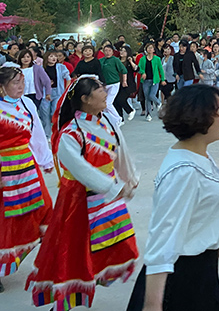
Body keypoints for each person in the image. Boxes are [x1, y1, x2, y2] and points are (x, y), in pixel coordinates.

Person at [126, 85, 219, 311]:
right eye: (218, 111)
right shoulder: (184, 172)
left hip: (202, 271)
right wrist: (152, 305)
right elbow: (163, 240)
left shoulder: (198, 157)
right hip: (180, 278)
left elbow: (201, 212)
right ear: (200, 117)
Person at [27, 75, 139, 309]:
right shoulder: (71, 132)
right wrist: (111, 187)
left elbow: (121, 151)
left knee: (114, 246)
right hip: (77, 200)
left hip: (105, 196)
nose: (105, 91)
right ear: (85, 99)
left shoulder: (106, 122)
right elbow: (79, 169)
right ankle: (65, 300)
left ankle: (94, 277)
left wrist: (129, 178)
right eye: (99, 89)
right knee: (73, 253)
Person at [0, 67, 54, 293]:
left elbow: (37, 133)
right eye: (15, 83)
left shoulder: (27, 104)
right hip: (4, 170)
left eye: (22, 82)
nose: (21, 87)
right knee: (5, 221)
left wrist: (45, 160)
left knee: (44, 208)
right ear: (2, 87)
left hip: (27, 167)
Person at [42, 51, 71, 133]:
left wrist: (66, 89)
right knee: (45, 113)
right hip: (45, 93)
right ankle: (47, 133)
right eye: (51, 56)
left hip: (58, 92)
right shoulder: (41, 68)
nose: (54, 58)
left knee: (55, 111)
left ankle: (55, 131)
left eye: (55, 56)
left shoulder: (61, 67)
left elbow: (68, 78)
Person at [100, 44, 128, 128]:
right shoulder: (101, 61)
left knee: (108, 103)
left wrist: (124, 81)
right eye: (106, 51)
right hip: (104, 84)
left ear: (112, 51)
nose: (107, 52)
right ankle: (108, 120)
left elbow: (124, 70)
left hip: (114, 83)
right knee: (103, 105)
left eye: (109, 50)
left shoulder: (115, 60)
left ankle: (118, 118)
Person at [139, 43, 165, 122]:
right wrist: (143, 72)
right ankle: (148, 114)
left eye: (151, 48)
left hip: (155, 80)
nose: (150, 49)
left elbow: (161, 69)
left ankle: (158, 103)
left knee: (151, 95)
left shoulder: (157, 59)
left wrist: (162, 79)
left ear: (154, 50)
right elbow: (139, 68)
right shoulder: (143, 59)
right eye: (148, 48)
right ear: (146, 49)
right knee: (147, 98)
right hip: (146, 81)